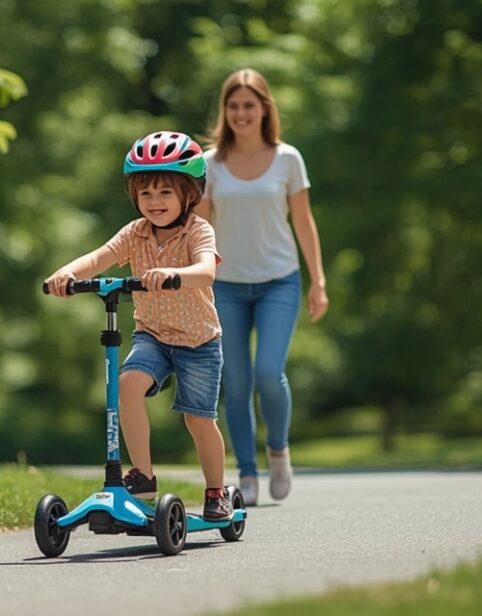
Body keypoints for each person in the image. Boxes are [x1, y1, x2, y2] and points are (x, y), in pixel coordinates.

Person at [44, 130, 232, 521]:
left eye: (165, 192)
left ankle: (216, 490)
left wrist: (174, 273)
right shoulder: (135, 233)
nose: (154, 202)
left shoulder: (198, 230)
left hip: (198, 341)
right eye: (145, 193)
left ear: (189, 194)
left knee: (198, 420)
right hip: (153, 335)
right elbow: (99, 258)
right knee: (126, 386)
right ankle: (143, 475)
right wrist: (67, 272)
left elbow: (205, 271)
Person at [196, 68, 329, 506]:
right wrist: (191, 279)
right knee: (235, 382)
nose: (241, 114)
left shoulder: (288, 158)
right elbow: (200, 227)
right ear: (225, 111)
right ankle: (247, 474)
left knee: (269, 374)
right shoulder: (211, 164)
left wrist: (318, 282)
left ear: (264, 109)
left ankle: (278, 449)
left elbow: (303, 222)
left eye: (249, 105)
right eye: (233, 106)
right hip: (227, 287)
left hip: (279, 281)